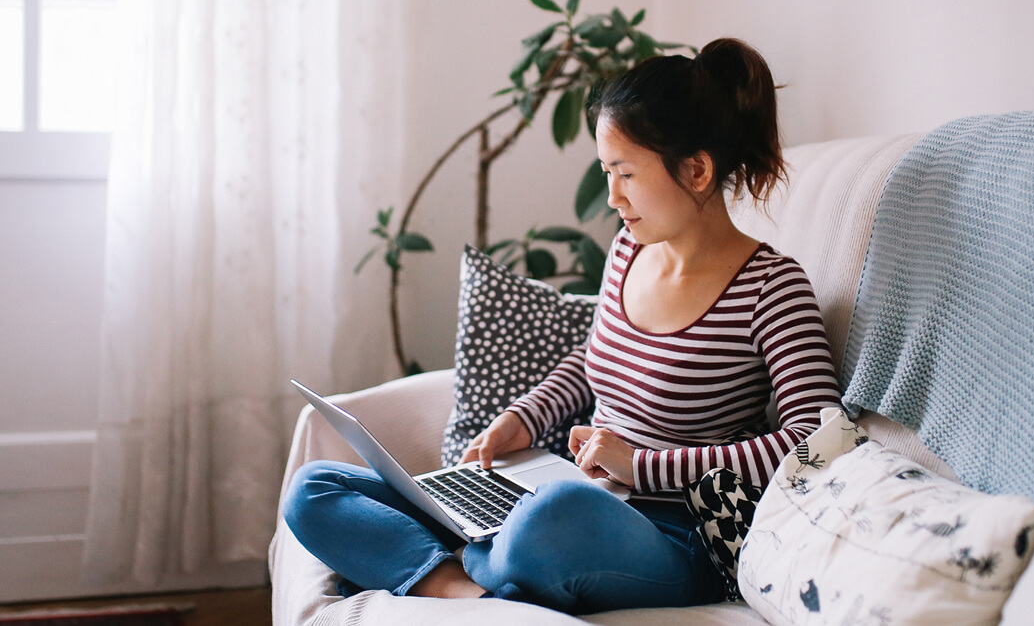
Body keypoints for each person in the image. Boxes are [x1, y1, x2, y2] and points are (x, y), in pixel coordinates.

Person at [283, 37, 842, 615]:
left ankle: (436, 564)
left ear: (696, 169)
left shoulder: (771, 289)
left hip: (675, 533)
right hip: (575, 495)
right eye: (606, 172)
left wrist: (640, 465)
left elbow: (815, 444)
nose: (612, 196)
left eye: (625, 173)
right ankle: (467, 590)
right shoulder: (629, 249)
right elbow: (592, 361)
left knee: (547, 522)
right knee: (314, 488)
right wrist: (523, 419)